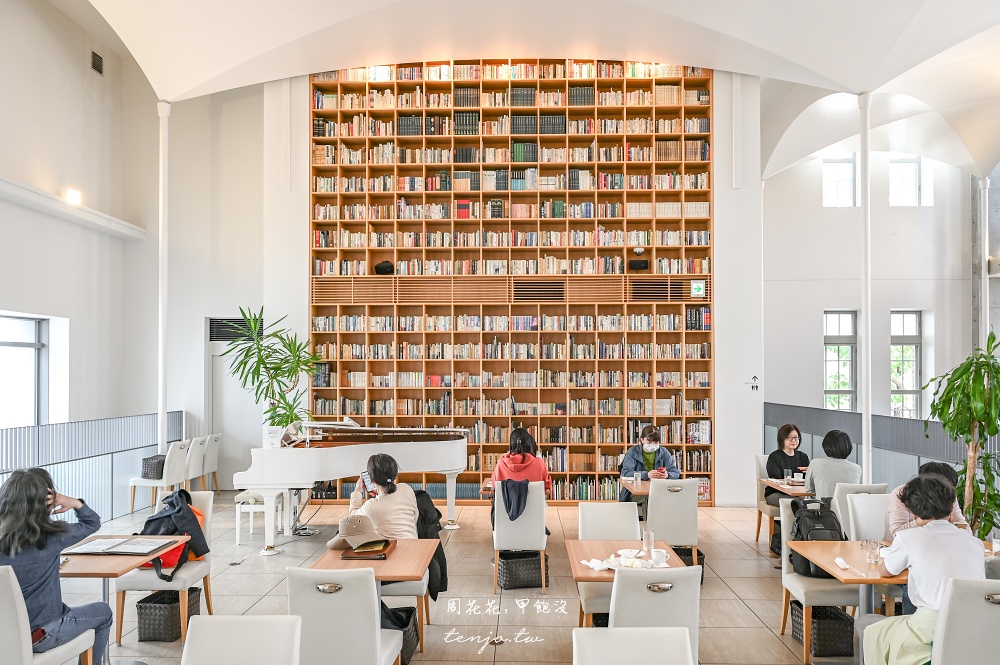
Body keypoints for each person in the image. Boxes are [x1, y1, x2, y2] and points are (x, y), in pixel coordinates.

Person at [861, 474, 985, 665]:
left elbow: (885, 571)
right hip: (975, 630)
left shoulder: (909, 538)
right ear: (951, 507)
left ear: (913, 510)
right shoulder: (974, 543)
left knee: (870, 628)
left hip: (930, 630)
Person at [0, 468, 113, 664]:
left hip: (6, 637)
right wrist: (75, 503)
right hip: (42, 634)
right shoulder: (52, 537)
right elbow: (92, 522)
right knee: (104, 612)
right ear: (46, 501)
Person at [885, 461, 966, 540]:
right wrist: (925, 520)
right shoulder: (903, 494)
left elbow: (962, 525)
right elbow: (897, 533)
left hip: (938, 543)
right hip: (900, 545)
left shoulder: (947, 493)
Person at [349, 453, 418, 540]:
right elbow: (414, 517)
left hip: (393, 548)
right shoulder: (406, 489)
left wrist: (357, 491)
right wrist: (379, 495)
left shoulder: (371, 506)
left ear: (371, 479)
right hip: (415, 545)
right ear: (395, 474)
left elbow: (353, 520)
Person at [490, 428, 552, 525]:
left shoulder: (501, 462)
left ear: (511, 444)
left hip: (506, 521)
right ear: (528, 443)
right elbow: (547, 486)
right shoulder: (539, 463)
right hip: (533, 523)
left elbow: (495, 485)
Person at [618, 425, 681, 517]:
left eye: (655, 442)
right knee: (650, 497)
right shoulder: (632, 452)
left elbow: (676, 472)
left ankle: (669, 524)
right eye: (649, 442)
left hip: (659, 489)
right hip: (634, 492)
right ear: (642, 440)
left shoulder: (663, 452)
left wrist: (667, 475)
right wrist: (647, 474)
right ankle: (650, 525)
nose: (652, 445)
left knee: (677, 496)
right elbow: (626, 473)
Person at [804, 429, 861, 498]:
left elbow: (809, 489)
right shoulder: (857, 468)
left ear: (826, 446)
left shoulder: (816, 463)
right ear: (848, 447)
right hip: (848, 505)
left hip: (823, 504)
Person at [764, 423, 809, 506]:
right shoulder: (775, 456)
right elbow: (775, 480)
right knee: (798, 503)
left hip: (799, 494)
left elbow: (809, 480)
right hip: (776, 494)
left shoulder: (803, 456)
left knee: (811, 502)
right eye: (789, 437)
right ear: (782, 438)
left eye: (796, 437)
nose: (793, 440)